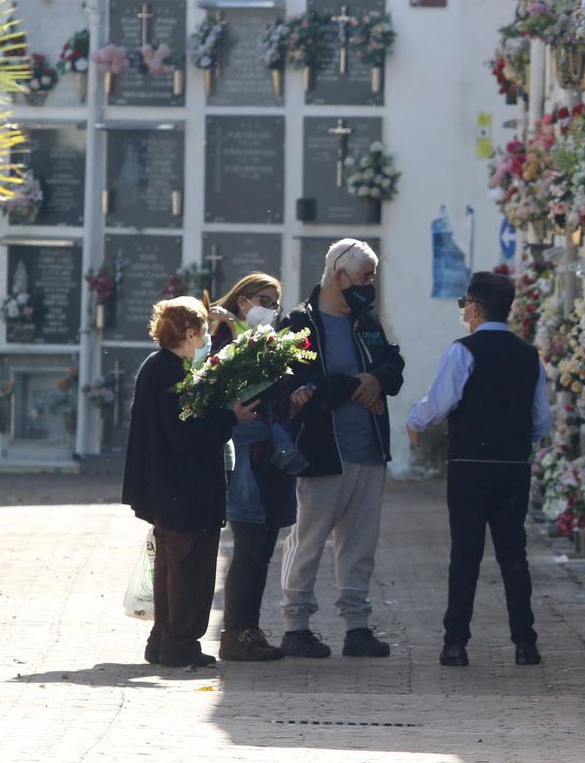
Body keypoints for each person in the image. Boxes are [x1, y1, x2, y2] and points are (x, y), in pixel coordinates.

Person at [406, 271, 551, 668]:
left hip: (470, 463)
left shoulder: (463, 351)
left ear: (474, 306)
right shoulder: (529, 354)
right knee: (513, 554)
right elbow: (541, 418)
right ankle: (525, 642)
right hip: (513, 463)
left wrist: (414, 422)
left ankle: (455, 643)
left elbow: (440, 402)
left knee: (466, 553)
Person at [277, 239, 405, 658]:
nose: (370, 285)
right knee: (309, 540)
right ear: (338, 275)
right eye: (365, 277)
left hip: (368, 448)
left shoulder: (366, 321)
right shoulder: (299, 323)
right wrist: (360, 384)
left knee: (360, 545)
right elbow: (308, 384)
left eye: (373, 277)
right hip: (322, 451)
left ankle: (357, 626)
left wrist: (378, 381)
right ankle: (296, 625)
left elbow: (393, 365)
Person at [121, 296, 259, 668]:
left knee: (171, 569)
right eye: (201, 330)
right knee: (190, 571)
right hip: (185, 490)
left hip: (169, 489)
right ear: (189, 332)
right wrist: (230, 419)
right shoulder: (172, 372)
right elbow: (186, 434)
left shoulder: (159, 366)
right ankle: (180, 643)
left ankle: (162, 640)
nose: (206, 337)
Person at [208, 273, 310, 662]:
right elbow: (222, 390)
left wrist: (293, 404)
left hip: (271, 454)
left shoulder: (270, 344)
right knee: (249, 546)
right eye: (264, 299)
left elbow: (273, 400)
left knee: (263, 548)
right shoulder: (221, 340)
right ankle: (235, 633)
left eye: (276, 302)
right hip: (244, 456)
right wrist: (236, 334)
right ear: (243, 300)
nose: (271, 308)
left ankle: (247, 629)